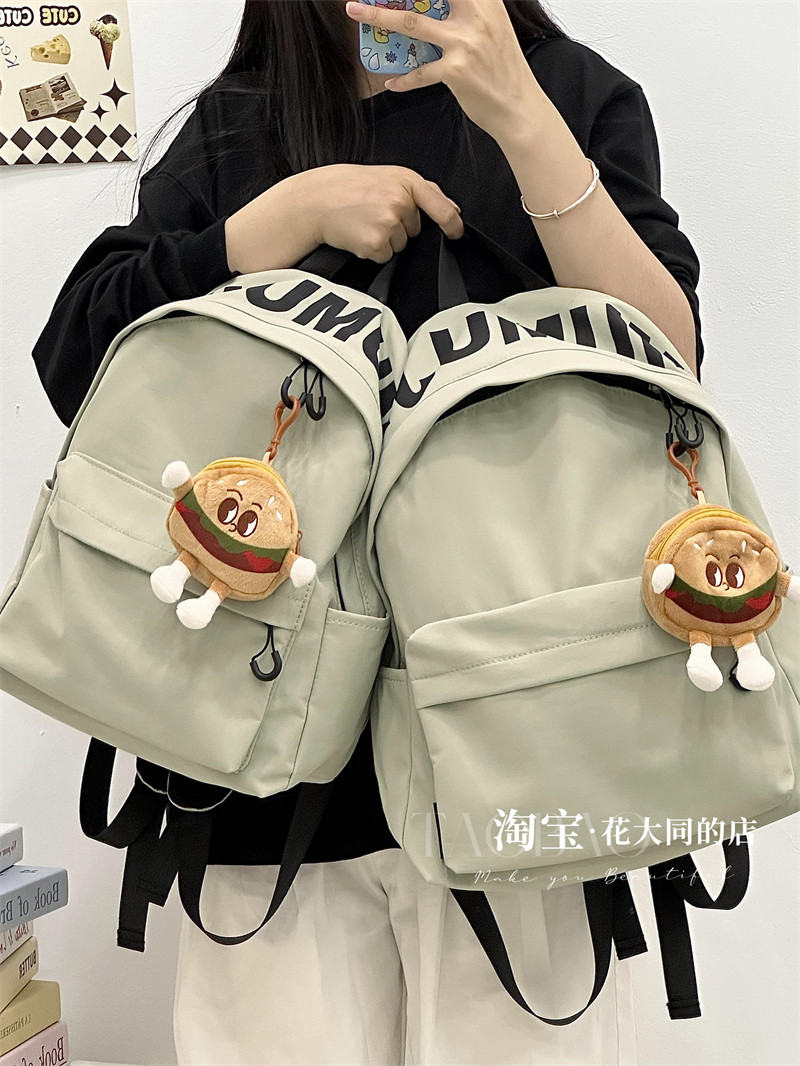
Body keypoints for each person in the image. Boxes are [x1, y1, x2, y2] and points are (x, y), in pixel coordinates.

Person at [31, 1, 704, 1062]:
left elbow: (673, 371)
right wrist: (281, 219)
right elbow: (79, 356)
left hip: (528, 747)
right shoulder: (245, 119)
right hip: (255, 758)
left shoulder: (568, 95)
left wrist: (523, 120)